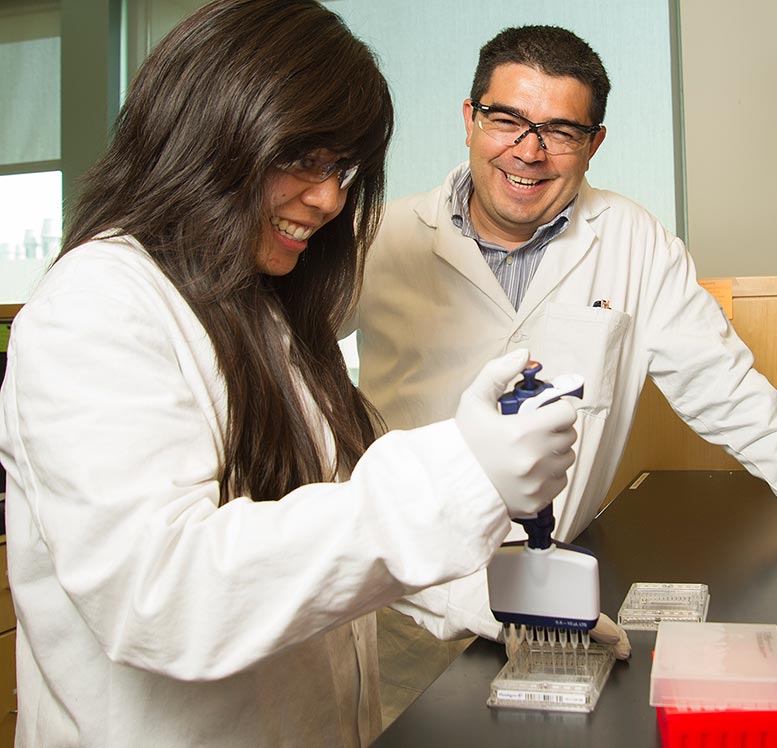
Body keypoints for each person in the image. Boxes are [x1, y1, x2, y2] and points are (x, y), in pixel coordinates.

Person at [0, 4, 580, 747]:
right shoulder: (96, 306)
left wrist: (511, 601)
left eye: (343, 170)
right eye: (304, 159)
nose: (332, 199)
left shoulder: (263, 309)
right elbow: (164, 595)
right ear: (213, 129)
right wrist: (461, 474)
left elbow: (328, 537)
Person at [344, 24, 777, 712]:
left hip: (554, 598)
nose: (527, 151)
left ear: (594, 142)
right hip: (403, 604)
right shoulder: (379, 236)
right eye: (506, 119)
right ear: (468, 118)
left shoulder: (632, 241)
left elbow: (724, 387)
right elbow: (271, 353)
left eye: (560, 131)